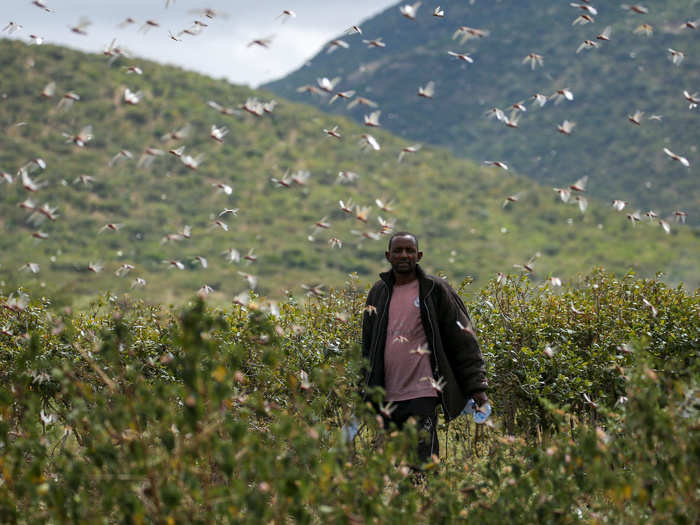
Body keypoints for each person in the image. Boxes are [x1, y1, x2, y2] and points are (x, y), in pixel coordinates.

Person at [361, 231, 488, 465]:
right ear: (388, 256)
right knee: (395, 461)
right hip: (388, 393)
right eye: (398, 250)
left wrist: (477, 386)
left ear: (418, 255)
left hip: (424, 391)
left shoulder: (434, 289)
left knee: (423, 459)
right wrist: (365, 388)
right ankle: (408, 500)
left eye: (409, 250)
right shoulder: (378, 293)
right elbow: (368, 346)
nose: (404, 255)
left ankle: (426, 496)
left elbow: (463, 338)